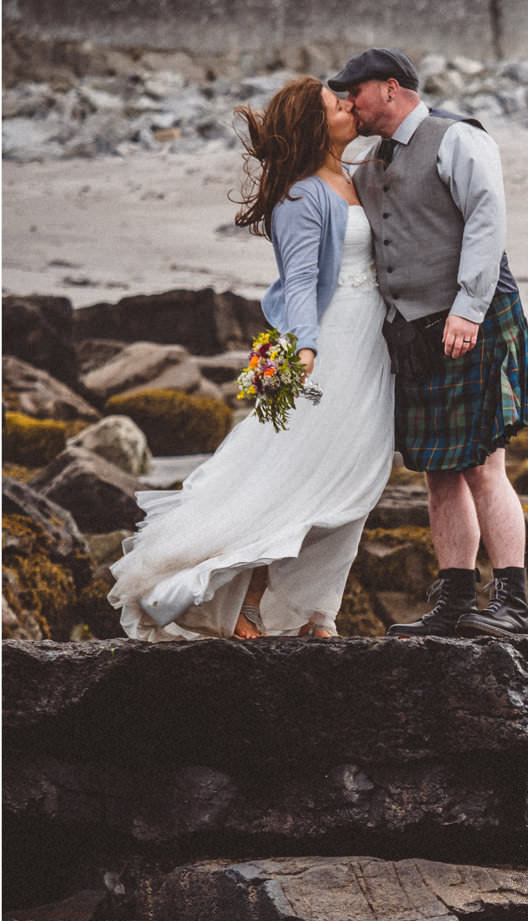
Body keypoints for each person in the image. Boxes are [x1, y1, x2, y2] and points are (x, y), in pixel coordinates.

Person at [108, 78, 395, 641]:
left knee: (354, 480)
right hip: (329, 347)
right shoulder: (299, 195)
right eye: (334, 105)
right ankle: (243, 602)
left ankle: (314, 610)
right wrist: (305, 348)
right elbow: (301, 281)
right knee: (298, 478)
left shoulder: (357, 177)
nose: (347, 105)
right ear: (315, 126)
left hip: (370, 350)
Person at [329, 48, 528, 638]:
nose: (350, 103)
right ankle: (455, 603)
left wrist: (469, 310)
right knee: (438, 472)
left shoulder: (457, 139)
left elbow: (486, 219)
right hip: (415, 331)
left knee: (482, 463)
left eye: (357, 92)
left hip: (473, 317)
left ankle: (514, 604)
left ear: (391, 88)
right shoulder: (370, 165)